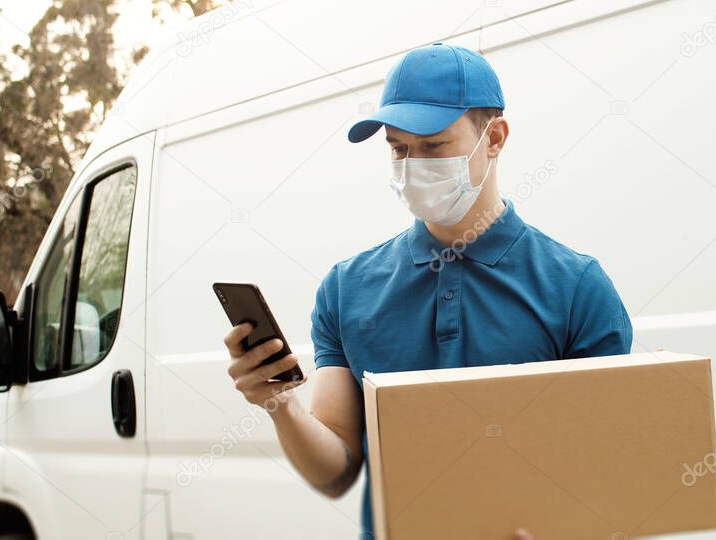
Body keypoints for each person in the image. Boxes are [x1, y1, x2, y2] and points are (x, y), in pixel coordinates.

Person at [225, 42, 633, 540]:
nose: (412, 165)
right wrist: (280, 404)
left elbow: (610, 479)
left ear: (495, 138)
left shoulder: (576, 288)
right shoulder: (345, 289)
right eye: (398, 148)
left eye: (434, 146)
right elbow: (337, 471)